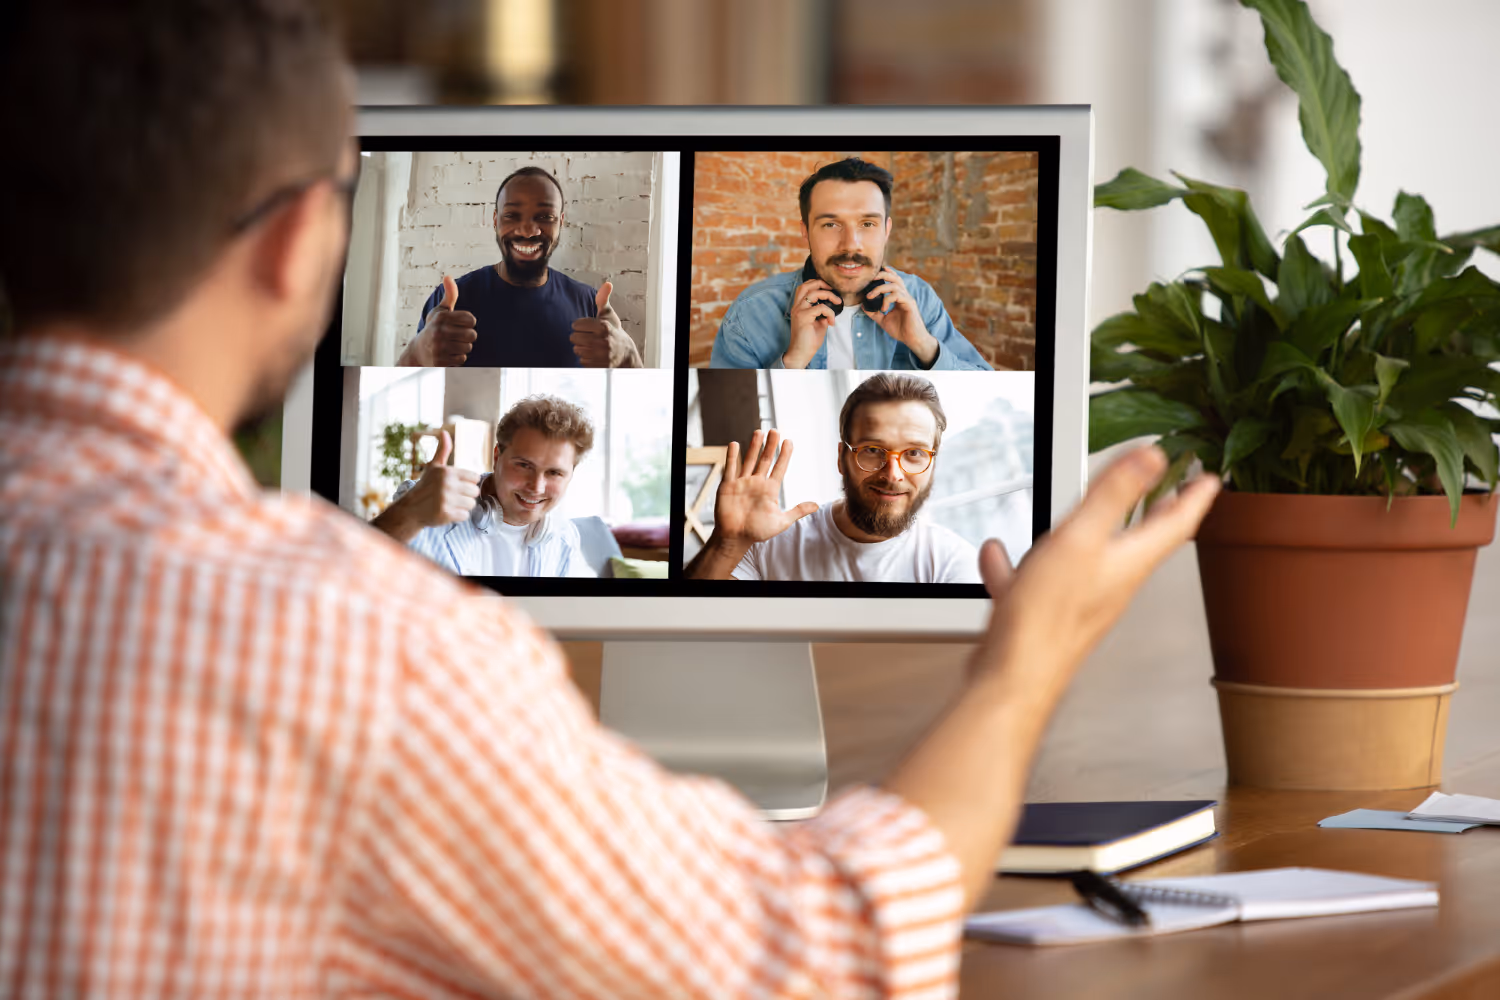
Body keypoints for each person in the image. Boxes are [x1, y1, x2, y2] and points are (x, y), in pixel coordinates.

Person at [0, 2, 1221, 996]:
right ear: (294, 246)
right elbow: (827, 954)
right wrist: (1026, 659)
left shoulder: (627, 378)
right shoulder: (360, 642)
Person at [686, 374, 981, 582]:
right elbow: (689, 624)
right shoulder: (769, 542)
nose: (893, 474)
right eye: (873, 450)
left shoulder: (952, 563)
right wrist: (727, 543)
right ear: (842, 457)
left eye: (914, 453)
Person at [708, 157, 994, 371]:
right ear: (805, 231)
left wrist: (924, 345)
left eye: (867, 223)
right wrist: (792, 361)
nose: (851, 245)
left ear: (886, 230)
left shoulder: (918, 298)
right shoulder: (749, 314)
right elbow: (736, 430)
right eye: (831, 224)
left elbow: (986, 393)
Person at [397, 165, 642, 369]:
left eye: (545, 217)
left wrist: (628, 354)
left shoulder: (589, 303)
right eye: (512, 215)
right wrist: (417, 353)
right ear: (495, 221)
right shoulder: (449, 302)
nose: (528, 230)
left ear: (561, 222)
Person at [372, 395, 598, 577]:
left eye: (554, 473)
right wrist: (408, 513)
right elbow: (351, 568)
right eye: (523, 465)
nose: (536, 487)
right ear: (497, 456)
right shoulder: (424, 501)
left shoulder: (565, 538)